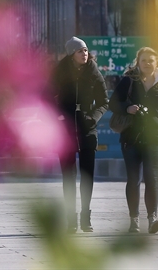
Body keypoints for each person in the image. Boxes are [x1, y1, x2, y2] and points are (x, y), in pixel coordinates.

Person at [109, 47, 158, 234]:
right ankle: (134, 219)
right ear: (138, 63)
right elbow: (113, 103)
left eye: (151, 60)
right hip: (131, 137)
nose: (147, 63)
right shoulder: (129, 80)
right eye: (144, 60)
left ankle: (153, 218)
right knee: (133, 179)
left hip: (155, 138)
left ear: (157, 62)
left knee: (152, 178)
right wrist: (127, 108)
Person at [51, 37, 108, 232]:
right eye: (80, 51)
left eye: (85, 50)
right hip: (65, 129)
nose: (84, 54)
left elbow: (103, 101)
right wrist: (57, 114)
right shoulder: (59, 71)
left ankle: (86, 217)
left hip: (87, 129)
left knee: (87, 175)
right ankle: (70, 219)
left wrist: (93, 118)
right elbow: (45, 96)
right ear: (71, 54)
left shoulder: (94, 72)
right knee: (68, 177)